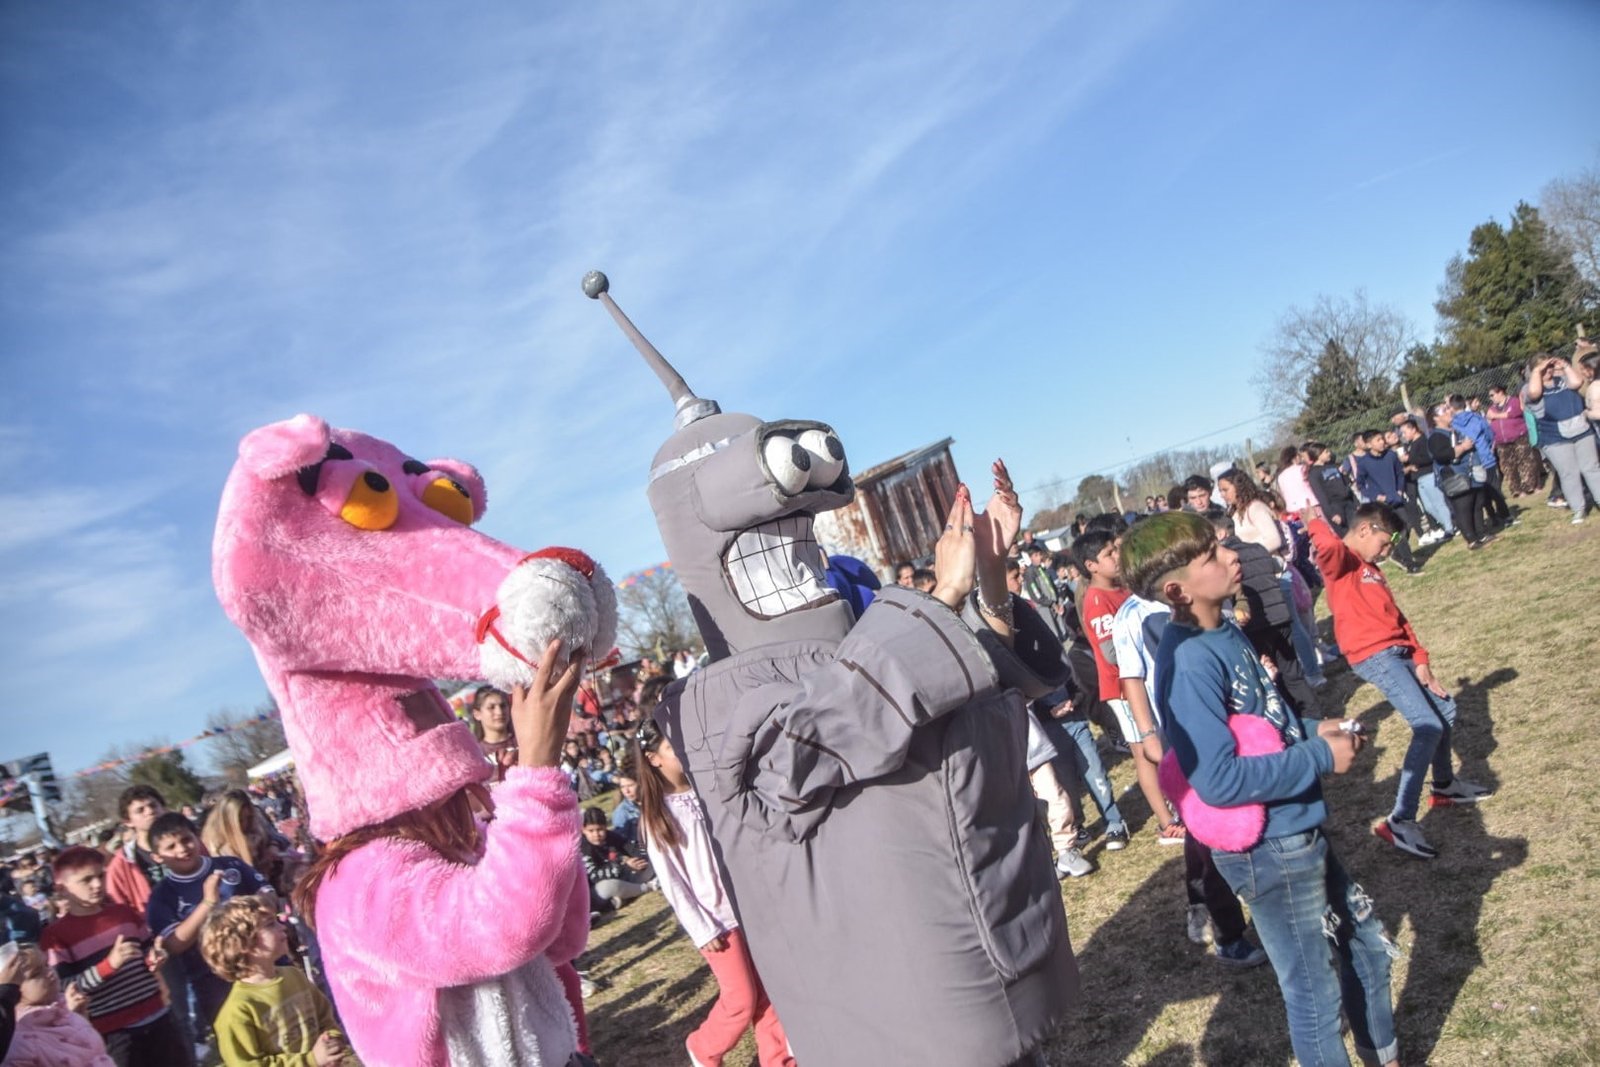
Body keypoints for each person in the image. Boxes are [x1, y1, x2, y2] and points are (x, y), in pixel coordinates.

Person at [1120, 513, 1399, 1067]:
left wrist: (1312, 730)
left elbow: (1262, 722)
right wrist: (1319, 756)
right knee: (1315, 994)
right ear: (1177, 591)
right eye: (1211, 556)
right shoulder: (1189, 661)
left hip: (1297, 827)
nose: (1230, 555)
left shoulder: (1224, 627)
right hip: (1270, 850)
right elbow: (1218, 780)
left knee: (1367, 947)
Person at [1309, 505, 1493, 859]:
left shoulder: (1373, 571)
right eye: (1385, 543)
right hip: (1373, 655)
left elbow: (1399, 619)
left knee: (1444, 710)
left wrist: (1421, 659)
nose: (1387, 551)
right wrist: (1313, 521)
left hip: (1400, 652)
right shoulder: (1342, 563)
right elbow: (1329, 548)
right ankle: (1400, 820)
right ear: (1365, 530)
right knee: (1426, 725)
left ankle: (1444, 785)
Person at [631, 720, 796, 1067]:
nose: (683, 752)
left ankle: (778, 1058)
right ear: (653, 758)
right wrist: (702, 929)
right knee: (741, 997)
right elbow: (673, 883)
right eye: (672, 748)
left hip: (747, 907)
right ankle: (704, 1048)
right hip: (717, 922)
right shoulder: (657, 816)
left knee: (769, 990)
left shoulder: (708, 791)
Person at [1074, 528, 1184, 846]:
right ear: (1091, 565)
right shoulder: (1097, 600)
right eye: (1108, 554)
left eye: (1115, 549)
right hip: (1123, 689)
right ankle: (1167, 823)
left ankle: (1178, 804)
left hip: (1143, 681)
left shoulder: (1123, 588)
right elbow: (1112, 652)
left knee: (1161, 744)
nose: (1116, 557)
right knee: (1144, 753)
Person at [38, 847, 192, 1067]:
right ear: (61, 889)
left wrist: (155, 957)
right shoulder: (55, 936)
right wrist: (108, 966)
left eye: (100, 875)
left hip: (156, 1014)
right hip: (114, 1032)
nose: (97, 884)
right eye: (86, 880)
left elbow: (147, 951)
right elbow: (64, 987)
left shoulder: (123, 913)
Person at [145, 813, 274, 1027]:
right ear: (157, 857)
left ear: (197, 837)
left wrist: (249, 909)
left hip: (265, 962)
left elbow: (268, 897)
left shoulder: (230, 865)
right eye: (171, 847)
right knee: (242, 1034)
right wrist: (208, 903)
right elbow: (173, 944)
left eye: (186, 839)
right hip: (214, 981)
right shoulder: (162, 895)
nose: (182, 849)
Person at [199, 896, 354, 1066]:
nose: (282, 927)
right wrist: (310, 1060)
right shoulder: (238, 1012)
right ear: (242, 944)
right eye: (270, 924)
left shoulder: (295, 976)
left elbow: (324, 1016)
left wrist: (331, 1040)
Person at [0, 942, 116, 1067]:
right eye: (36, 974)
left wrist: (78, 1016)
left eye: (46, 965)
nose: (49, 972)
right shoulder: (19, 1041)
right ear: (13, 987)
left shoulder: (63, 1009)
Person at [1525, 352, 1600, 524]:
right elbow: (1534, 393)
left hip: (1581, 431)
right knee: (1569, 473)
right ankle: (1578, 509)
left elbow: (1577, 383)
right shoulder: (1531, 388)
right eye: (1544, 368)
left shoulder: (1563, 380)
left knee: (1592, 468)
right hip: (1555, 437)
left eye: (1550, 367)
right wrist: (1537, 371)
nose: (1549, 371)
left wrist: (1565, 366)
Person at [1349, 435, 1424, 574]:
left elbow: (1400, 473)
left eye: (1382, 439)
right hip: (1382, 505)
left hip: (1397, 499)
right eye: (1378, 440)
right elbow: (1360, 485)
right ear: (1369, 444)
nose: (1382, 442)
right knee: (1398, 533)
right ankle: (1409, 564)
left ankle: (1396, 552)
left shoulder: (1391, 455)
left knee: (1406, 526)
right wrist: (1376, 496)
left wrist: (1400, 490)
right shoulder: (1364, 463)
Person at [1427, 402, 1494, 549]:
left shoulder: (1455, 430)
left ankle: (1481, 534)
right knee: (1463, 508)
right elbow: (1442, 455)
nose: (1449, 411)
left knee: (1477, 503)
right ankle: (1471, 540)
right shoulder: (1436, 436)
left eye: (1448, 408)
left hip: (1470, 473)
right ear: (1435, 418)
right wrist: (1463, 447)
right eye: (1444, 410)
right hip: (1454, 476)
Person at [1449, 395, 1512, 529]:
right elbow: (1489, 433)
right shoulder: (1476, 418)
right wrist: (1488, 446)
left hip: (1470, 462)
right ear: (1464, 404)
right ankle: (1505, 515)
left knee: (1481, 491)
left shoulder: (1453, 424)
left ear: (1452, 408)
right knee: (1495, 488)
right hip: (1486, 457)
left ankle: (1492, 516)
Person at [580, 807, 655, 911]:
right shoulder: (582, 847)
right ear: (583, 830)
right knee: (607, 887)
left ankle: (625, 896)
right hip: (598, 888)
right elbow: (594, 876)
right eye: (591, 831)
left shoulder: (611, 836)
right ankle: (647, 887)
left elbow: (632, 848)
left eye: (600, 829)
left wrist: (639, 861)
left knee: (651, 863)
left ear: (605, 827)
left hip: (623, 877)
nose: (596, 835)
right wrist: (623, 865)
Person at [1397, 419, 1453, 544]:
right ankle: (1448, 524)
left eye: (1405, 432)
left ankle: (1450, 528)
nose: (1403, 436)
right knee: (1428, 506)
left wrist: (1410, 459)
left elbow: (1427, 458)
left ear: (1413, 429)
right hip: (1419, 478)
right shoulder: (1411, 444)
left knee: (1438, 503)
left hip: (1428, 474)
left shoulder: (1423, 441)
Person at [1486, 383, 1542, 497]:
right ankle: (1516, 489)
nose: (1491, 398)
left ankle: (1531, 485)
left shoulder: (1513, 401)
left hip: (1519, 437)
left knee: (1526, 461)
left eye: (1492, 395)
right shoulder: (1492, 408)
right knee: (1508, 466)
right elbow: (1489, 420)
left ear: (1500, 392)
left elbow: (1514, 413)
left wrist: (1495, 416)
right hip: (1502, 441)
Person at [468, 686, 517, 780]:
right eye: (491, 707)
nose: (499, 712)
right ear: (477, 714)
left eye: (503, 706)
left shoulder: (524, 742)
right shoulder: (475, 754)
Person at [1305, 441, 1356, 530]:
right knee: (1348, 534)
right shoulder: (1313, 473)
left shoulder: (1333, 466)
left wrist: (1356, 502)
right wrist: (1332, 514)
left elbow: (1346, 485)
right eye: (1326, 452)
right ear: (1318, 455)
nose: (1329, 454)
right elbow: (1321, 496)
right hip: (1336, 508)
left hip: (1349, 504)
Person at [1273, 445, 1319, 519]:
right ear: (1296, 457)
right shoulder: (1302, 469)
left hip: (1293, 510)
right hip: (1310, 506)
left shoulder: (1280, 476)